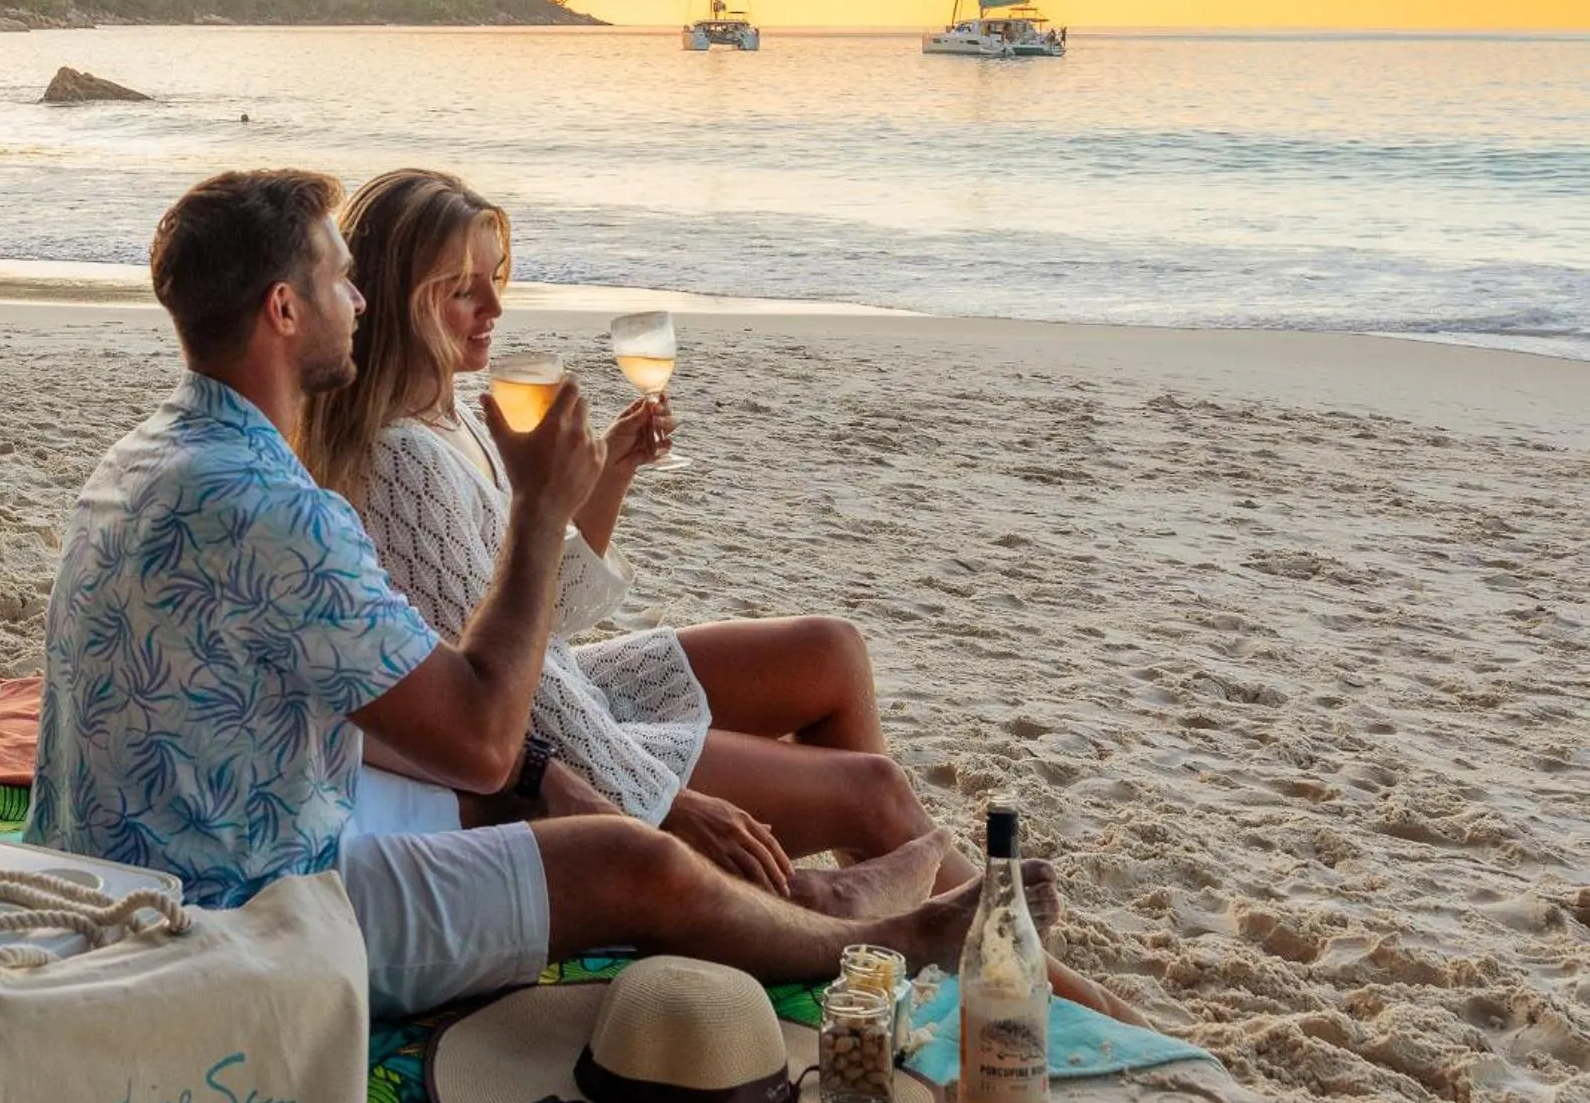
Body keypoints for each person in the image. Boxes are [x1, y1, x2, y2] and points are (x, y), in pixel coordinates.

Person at [29, 169, 1041, 1018]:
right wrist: (533, 514)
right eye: (342, 281)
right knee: (620, 859)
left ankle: (834, 900)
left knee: (537, 794)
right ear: (284, 310)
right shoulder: (273, 506)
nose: (362, 301)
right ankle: (883, 938)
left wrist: (535, 773)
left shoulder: (156, 455)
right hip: (235, 907)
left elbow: (385, 705)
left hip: (163, 844)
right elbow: (478, 735)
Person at [303, 166, 1138, 1021]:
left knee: (829, 650)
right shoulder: (401, 462)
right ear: (396, 300)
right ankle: (1048, 986)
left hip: (566, 689)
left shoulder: (460, 419)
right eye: (459, 292)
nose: (493, 310)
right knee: (874, 788)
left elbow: (543, 614)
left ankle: (826, 898)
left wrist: (610, 475)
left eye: (495, 281)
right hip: (550, 731)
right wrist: (661, 803)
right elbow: (508, 693)